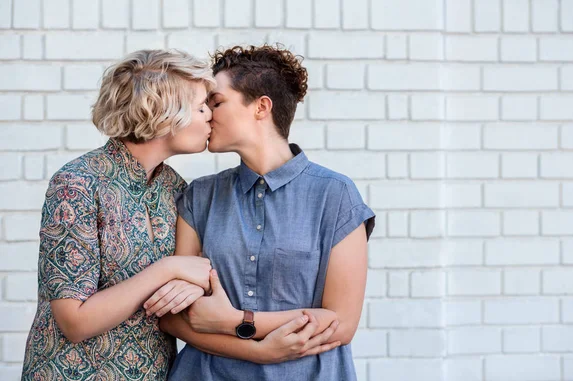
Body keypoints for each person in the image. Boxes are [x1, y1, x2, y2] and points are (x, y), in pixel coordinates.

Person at [150, 44, 376, 380]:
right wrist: (259, 349)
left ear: (261, 107)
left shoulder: (336, 196)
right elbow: (174, 316)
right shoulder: (200, 196)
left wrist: (233, 321)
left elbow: (340, 325)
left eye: (217, 102)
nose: (207, 114)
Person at [20, 49, 217, 380]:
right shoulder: (78, 183)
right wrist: (167, 269)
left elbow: (195, 275)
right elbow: (75, 322)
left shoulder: (176, 189)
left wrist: (195, 285)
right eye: (200, 107)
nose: (210, 115)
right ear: (165, 115)